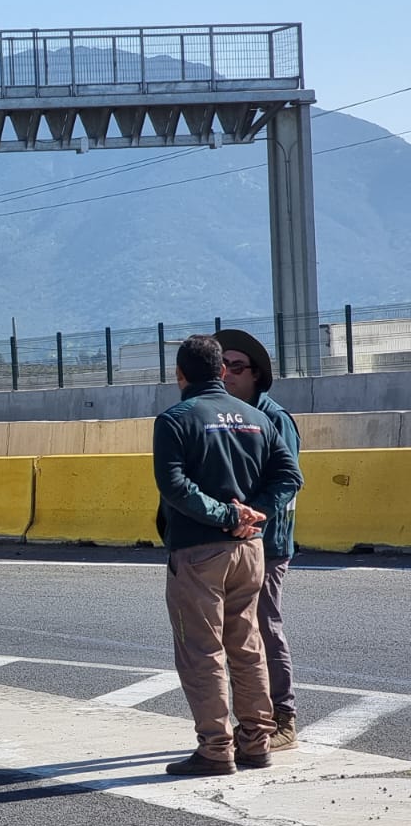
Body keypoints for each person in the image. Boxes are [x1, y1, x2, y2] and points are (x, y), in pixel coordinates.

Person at [154, 334, 302, 776]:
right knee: (248, 644)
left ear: (180, 375)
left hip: (199, 551)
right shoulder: (258, 418)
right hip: (251, 549)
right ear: (221, 372)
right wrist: (254, 513)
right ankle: (257, 741)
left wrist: (224, 514)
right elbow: (290, 476)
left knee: (201, 650)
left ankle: (216, 748)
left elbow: (175, 486)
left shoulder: (175, 419)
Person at [214, 328, 302, 752]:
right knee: (237, 634)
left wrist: (253, 517)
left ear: (256, 375)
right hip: (235, 541)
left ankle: (284, 718)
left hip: (267, 541)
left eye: (237, 366)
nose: (227, 373)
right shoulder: (224, 415)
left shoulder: (275, 418)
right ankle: (253, 720)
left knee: (265, 627)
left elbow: (287, 484)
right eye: (222, 365)